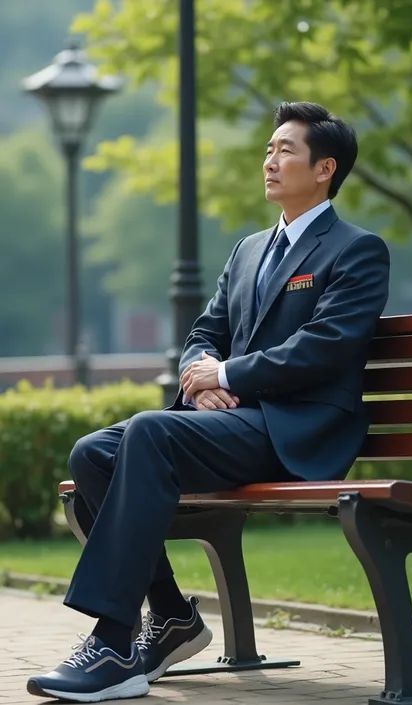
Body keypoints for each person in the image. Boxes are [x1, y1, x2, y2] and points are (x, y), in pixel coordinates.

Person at [27, 101, 390, 702]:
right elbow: (205, 330)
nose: (269, 161)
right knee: (91, 454)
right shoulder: (248, 249)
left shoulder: (356, 249)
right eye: (268, 150)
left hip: (294, 431)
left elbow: (324, 348)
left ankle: (114, 643)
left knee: (149, 430)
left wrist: (232, 374)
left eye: (285, 151)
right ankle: (170, 617)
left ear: (325, 169)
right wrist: (202, 375)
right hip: (232, 422)